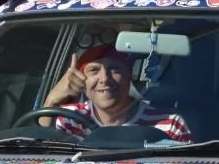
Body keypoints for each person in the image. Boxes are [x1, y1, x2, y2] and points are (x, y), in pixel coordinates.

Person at [39, 42, 191, 140]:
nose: (104, 78)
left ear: (129, 76)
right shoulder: (67, 118)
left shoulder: (170, 124)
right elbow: (40, 155)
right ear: (81, 80)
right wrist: (51, 101)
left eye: (114, 69)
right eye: (93, 70)